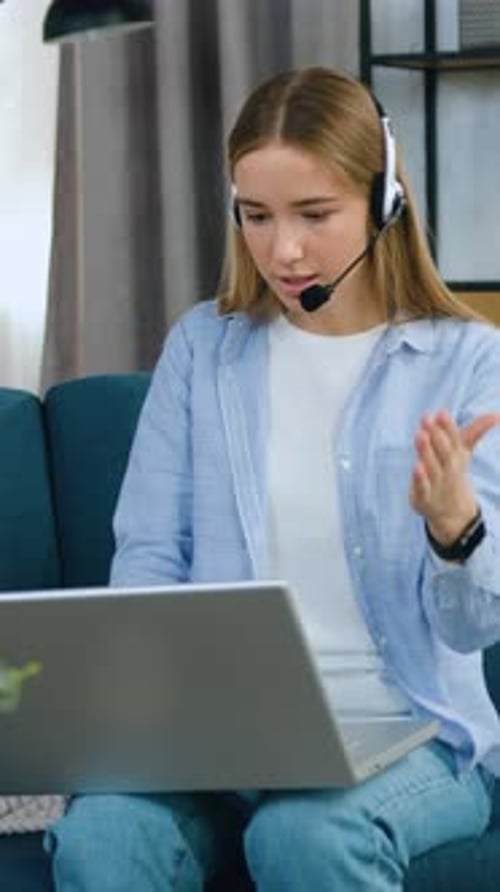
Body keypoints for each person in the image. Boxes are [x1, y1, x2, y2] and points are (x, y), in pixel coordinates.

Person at [45, 65, 500, 891]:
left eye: (314, 215)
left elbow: (474, 629)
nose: (282, 249)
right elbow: (149, 556)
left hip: (411, 732)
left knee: (306, 836)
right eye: (256, 216)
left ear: (383, 202)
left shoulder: (470, 363)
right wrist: (140, 716)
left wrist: (454, 528)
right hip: (217, 735)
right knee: (102, 833)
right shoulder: (202, 350)